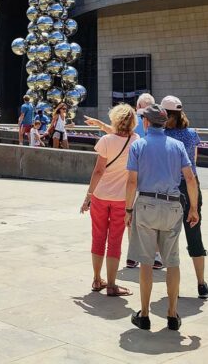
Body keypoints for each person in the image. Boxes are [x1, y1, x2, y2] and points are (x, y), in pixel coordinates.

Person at [124, 103, 200, 332]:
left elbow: (131, 182)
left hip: (146, 204)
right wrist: (193, 208)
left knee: (146, 262)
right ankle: (172, 314)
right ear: (164, 122)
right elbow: (190, 178)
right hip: (172, 206)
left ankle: (145, 315)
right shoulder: (177, 146)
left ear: (146, 122)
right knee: (172, 261)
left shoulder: (139, 145)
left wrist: (128, 210)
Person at [81, 103, 139, 297]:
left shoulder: (106, 140)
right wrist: (100, 124)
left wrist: (88, 196)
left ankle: (97, 279)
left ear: (115, 119)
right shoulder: (136, 140)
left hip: (100, 196)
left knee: (98, 237)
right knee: (115, 241)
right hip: (122, 199)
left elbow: (98, 171)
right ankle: (112, 284)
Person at [162, 96, 208, 300]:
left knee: (169, 237)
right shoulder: (192, 134)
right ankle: (201, 283)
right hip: (191, 187)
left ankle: (175, 286)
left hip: (170, 188)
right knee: (194, 233)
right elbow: (194, 163)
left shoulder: (162, 135)